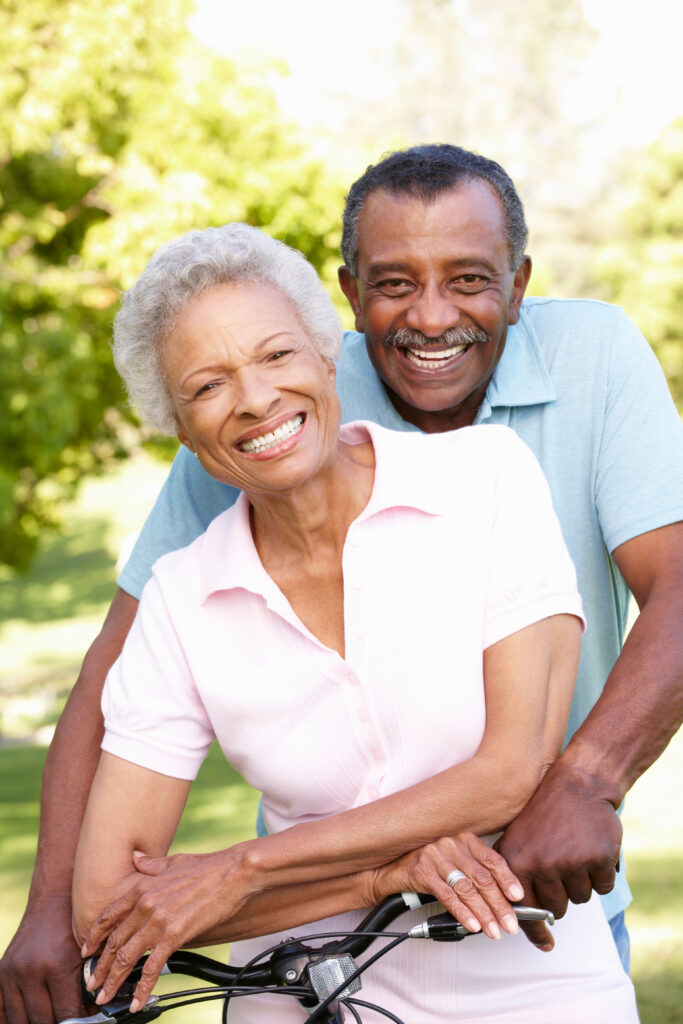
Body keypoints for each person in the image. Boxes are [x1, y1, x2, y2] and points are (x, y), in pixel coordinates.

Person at [1, 143, 682, 1023]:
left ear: (517, 285)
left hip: (535, 895)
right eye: (394, 284)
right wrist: (55, 908)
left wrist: (584, 781)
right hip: (299, 950)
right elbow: (117, 671)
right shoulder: (249, 452)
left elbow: (653, 615)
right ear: (349, 301)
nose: (431, 317)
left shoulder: (532, 424)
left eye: (468, 279)